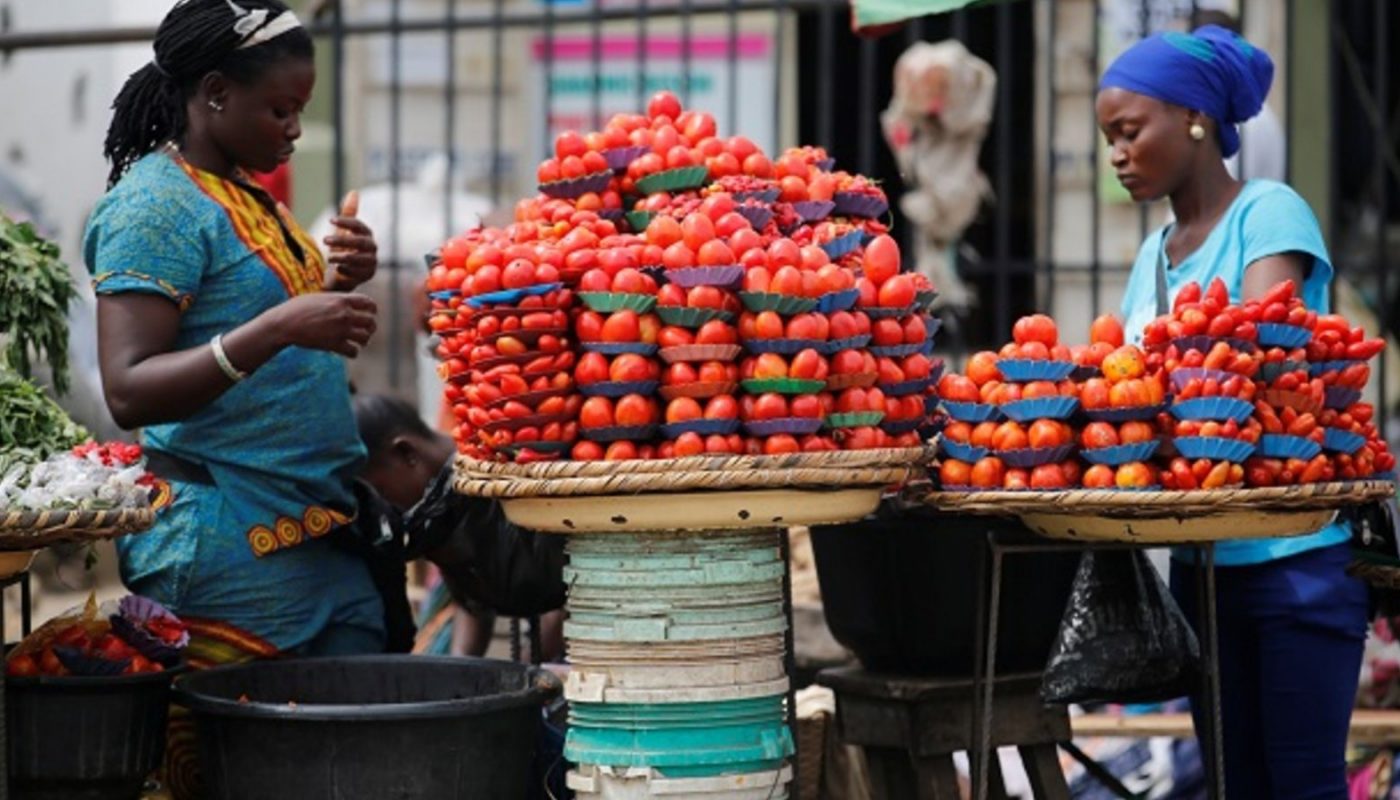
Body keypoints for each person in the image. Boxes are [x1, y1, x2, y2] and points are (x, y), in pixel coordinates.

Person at [1098, 25, 1369, 798]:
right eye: (1108, 138)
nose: (1117, 153)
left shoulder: (1270, 213)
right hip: (1203, 569)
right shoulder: (1155, 254)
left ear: (1194, 118)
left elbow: (1254, 357)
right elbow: (1131, 389)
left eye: (1128, 131)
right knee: (1231, 784)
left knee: (1302, 783)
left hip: (1296, 563)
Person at [86, 0, 386, 661]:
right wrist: (280, 325)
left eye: (300, 110)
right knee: (262, 751)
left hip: (314, 528)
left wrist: (336, 287)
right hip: (229, 542)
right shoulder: (155, 208)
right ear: (216, 94)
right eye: (281, 110)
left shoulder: (240, 193)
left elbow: (251, 321)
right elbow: (129, 390)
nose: (295, 130)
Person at [352, 394, 567, 661]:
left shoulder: (495, 465)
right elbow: (471, 597)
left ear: (407, 454)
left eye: (381, 491)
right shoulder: (436, 509)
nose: (384, 509)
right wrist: (463, 668)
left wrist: (525, 672)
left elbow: (566, 573)